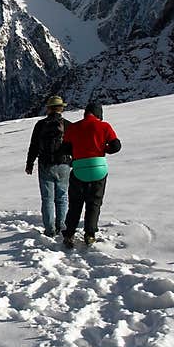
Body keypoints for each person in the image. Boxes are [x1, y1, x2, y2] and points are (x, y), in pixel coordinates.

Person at [60, 102, 122, 247]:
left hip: (79, 168)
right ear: (99, 114)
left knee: (75, 203)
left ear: (85, 113)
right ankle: (90, 234)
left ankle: (69, 234)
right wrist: (103, 149)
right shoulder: (105, 126)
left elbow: (65, 148)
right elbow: (116, 146)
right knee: (94, 202)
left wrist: (77, 151)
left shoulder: (74, 127)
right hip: (98, 169)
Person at [25, 95, 72, 237]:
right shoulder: (68, 125)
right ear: (61, 108)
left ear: (48, 108)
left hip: (45, 164)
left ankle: (50, 229)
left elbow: (33, 146)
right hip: (64, 165)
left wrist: (29, 163)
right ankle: (62, 225)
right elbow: (73, 146)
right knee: (62, 196)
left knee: (47, 198)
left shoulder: (40, 125)